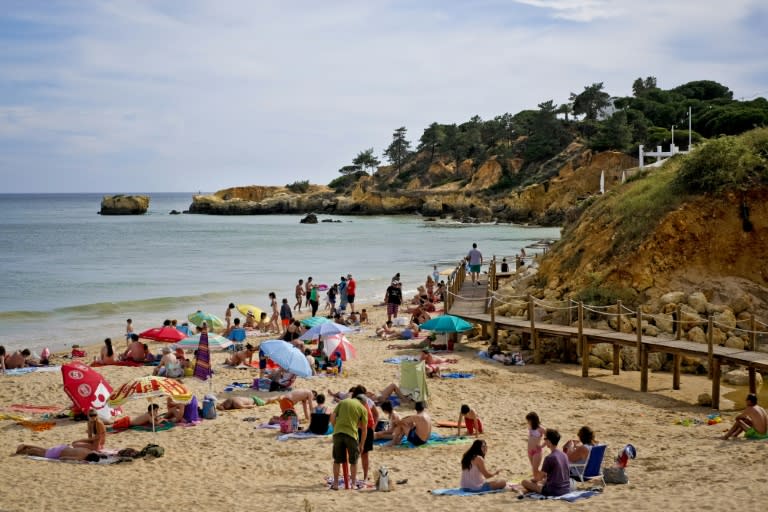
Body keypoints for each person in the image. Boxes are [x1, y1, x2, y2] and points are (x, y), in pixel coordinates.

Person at [329, 395, 368, 490]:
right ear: (363, 403)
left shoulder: (343, 402)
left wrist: (336, 428)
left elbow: (332, 418)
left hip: (338, 433)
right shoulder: (362, 408)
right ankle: (353, 484)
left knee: (337, 460)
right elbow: (364, 430)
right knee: (353, 461)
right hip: (351, 435)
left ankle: (335, 484)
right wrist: (362, 444)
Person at [521, 429, 571, 497]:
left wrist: (534, 480)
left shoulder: (549, 458)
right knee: (542, 481)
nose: (544, 441)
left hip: (553, 491)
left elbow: (539, 478)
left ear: (549, 441)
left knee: (524, 482)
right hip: (566, 489)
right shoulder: (564, 455)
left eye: (545, 438)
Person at [15, 444, 102, 462]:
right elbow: (64, 458)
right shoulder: (81, 457)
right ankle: (26, 450)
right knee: (40, 453)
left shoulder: (88, 451)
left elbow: (98, 453)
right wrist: (63, 458)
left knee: (46, 450)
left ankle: (27, 445)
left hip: (63, 447)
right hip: (59, 453)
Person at [526, 411, 546, 476]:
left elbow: (549, 438)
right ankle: (545, 477)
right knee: (535, 470)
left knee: (535, 470)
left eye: (528, 420)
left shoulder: (541, 429)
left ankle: (546, 477)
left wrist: (542, 446)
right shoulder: (530, 426)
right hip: (529, 451)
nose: (527, 422)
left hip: (536, 451)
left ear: (533, 420)